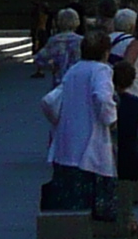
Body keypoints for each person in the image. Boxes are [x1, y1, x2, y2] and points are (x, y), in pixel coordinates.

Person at [43, 32, 121, 221]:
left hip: (67, 145)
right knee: (93, 201)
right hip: (90, 144)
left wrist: (58, 122)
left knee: (69, 202)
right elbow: (102, 97)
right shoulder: (101, 70)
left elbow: (49, 100)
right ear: (105, 52)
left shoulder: (74, 70)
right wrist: (110, 119)